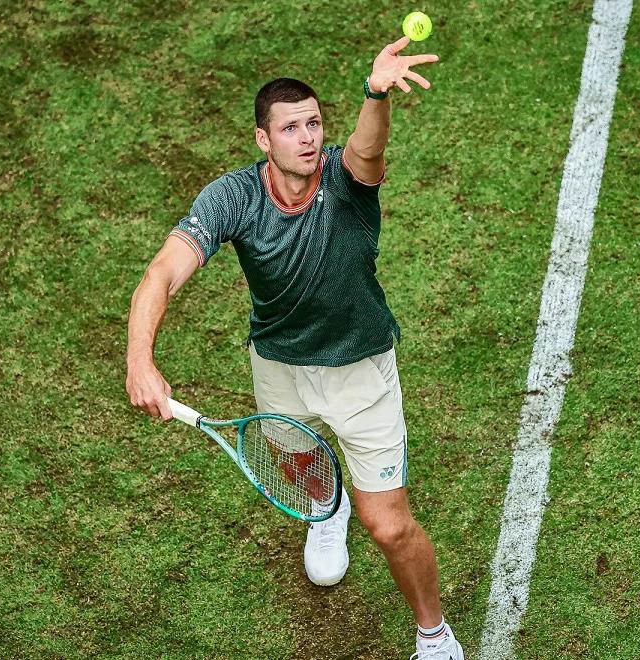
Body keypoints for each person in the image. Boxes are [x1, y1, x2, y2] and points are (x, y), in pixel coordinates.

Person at [125, 37, 462, 660]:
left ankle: (435, 637)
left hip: (360, 368)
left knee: (388, 525)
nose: (307, 138)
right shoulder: (233, 197)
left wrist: (376, 93)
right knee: (305, 475)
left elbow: (368, 147)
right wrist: (140, 361)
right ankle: (324, 512)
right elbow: (163, 273)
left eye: (313, 124)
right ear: (264, 140)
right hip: (279, 365)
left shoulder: (345, 178)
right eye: (290, 128)